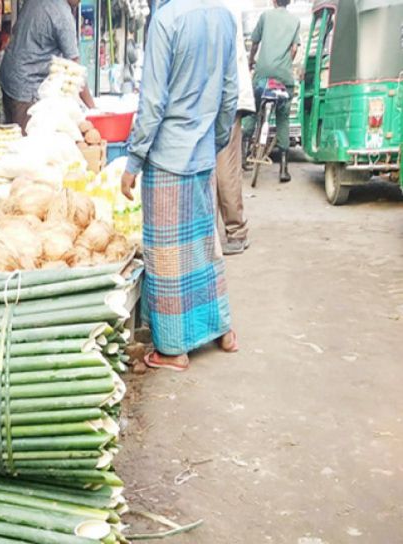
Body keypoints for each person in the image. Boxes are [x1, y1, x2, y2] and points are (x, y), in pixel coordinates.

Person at [121, 0, 239, 372]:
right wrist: (215, 141)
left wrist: (133, 160)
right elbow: (230, 94)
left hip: (168, 158)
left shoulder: (166, 21)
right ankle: (222, 330)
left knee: (168, 255)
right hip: (202, 155)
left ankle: (173, 349)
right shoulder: (224, 17)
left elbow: (153, 102)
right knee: (204, 247)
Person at [0, 0, 95, 132]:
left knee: (12, 136)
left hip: (9, 77)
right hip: (26, 86)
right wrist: (92, 108)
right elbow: (75, 71)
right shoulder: (63, 16)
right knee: (28, 139)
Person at [216, 0, 256, 255]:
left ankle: (236, 232)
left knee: (224, 167)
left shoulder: (222, 8)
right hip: (223, 94)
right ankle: (223, 232)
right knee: (220, 166)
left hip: (225, 97)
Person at [247, 0, 301, 183]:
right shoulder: (295, 20)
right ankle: (284, 170)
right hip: (283, 78)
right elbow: (294, 49)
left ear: (273, 1)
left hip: (263, 74)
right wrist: (285, 64)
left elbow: (255, 43)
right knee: (283, 117)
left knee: (252, 109)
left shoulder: (265, 16)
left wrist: (251, 61)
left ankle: (243, 151)